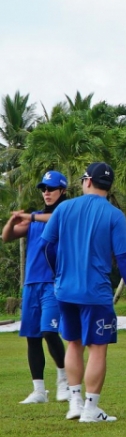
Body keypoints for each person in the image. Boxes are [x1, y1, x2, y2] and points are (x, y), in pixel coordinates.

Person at [40, 162, 126, 423]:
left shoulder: (64, 208)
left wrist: (57, 274)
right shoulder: (114, 215)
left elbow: (48, 247)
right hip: (95, 292)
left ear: (87, 181)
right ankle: (90, 409)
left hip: (65, 290)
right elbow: (124, 259)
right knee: (97, 348)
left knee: (73, 343)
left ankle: (74, 402)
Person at [2, 170, 70, 404]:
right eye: (43, 189)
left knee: (50, 332)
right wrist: (13, 220)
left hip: (53, 283)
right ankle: (39, 390)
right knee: (32, 337)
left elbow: (58, 218)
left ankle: (64, 381)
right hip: (31, 285)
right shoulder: (35, 219)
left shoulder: (63, 214)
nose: (46, 193)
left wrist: (29, 217)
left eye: (51, 189)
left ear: (62, 191)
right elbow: (6, 237)